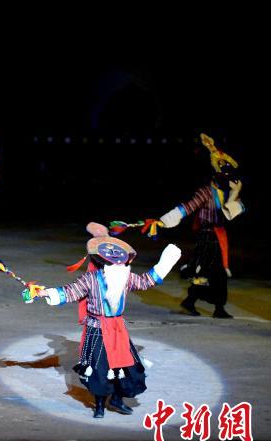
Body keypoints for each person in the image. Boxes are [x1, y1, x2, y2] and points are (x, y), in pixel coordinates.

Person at [33, 223, 181, 418]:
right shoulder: (90, 279)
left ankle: (118, 400)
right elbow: (70, 292)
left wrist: (165, 263)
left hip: (118, 330)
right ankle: (100, 406)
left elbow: (146, 281)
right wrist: (43, 292)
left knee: (127, 367)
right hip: (97, 329)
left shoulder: (126, 277)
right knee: (100, 370)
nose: (118, 262)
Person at [158, 134, 244, 318]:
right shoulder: (206, 191)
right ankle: (193, 302)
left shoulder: (228, 193)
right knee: (202, 272)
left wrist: (235, 193)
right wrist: (165, 220)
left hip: (219, 237)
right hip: (207, 236)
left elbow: (231, 213)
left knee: (219, 273)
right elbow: (189, 207)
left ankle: (216, 307)